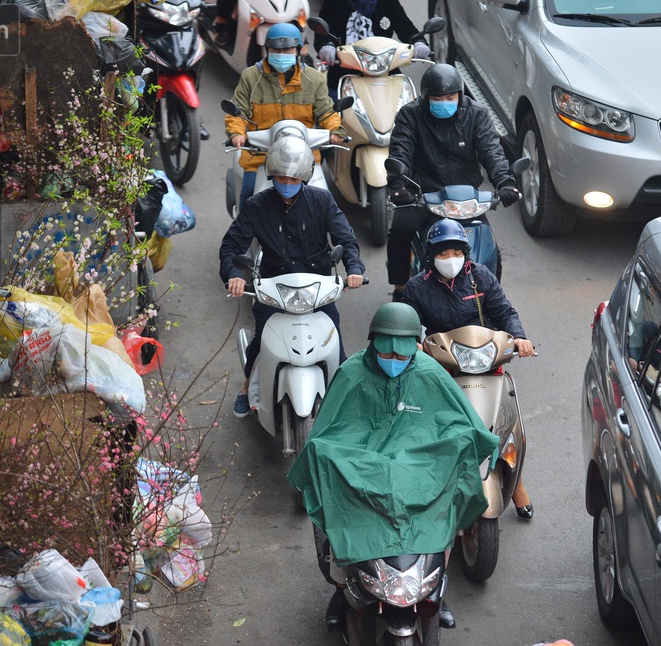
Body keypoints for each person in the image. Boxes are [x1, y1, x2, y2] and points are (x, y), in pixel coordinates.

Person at [287, 302, 500, 631]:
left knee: (442, 515)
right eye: (387, 354)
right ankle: (343, 591)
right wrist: (323, 457)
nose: (394, 362)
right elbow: (326, 433)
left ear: (414, 348)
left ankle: (434, 594)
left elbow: (464, 425)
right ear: (373, 344)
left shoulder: (430, 373)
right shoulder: (352, 374)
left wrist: (472, 447)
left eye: (402, 357)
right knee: (342, 515)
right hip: (361, 471)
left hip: (418, 470)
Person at [219, 136, 365, 418]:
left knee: (334, 340)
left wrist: (354, 269)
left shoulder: (322, 201)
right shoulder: (256, 205)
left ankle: (344, 396)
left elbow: (345, 238)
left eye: (294, 178)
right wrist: (234, 274)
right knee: (262, 340)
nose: (287, 183)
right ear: (271, 175)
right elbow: (231, 245)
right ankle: (248, 384)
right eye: (281, 177)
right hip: (275, 288)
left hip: (318, 287)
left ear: (305, 177)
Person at [402, 219, 538, 519]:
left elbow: (504, 312)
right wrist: (414, 344)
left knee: (504, 422)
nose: (450, 258)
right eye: (442, 253)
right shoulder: (416, 288)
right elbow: (409, 325)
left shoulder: (481, 277)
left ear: (465, 252)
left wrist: (520, 338)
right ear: (431, 256)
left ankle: (516, 483)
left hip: (485, 359)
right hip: (443, 363)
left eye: (455, 251)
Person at [386, 63, 520, 302]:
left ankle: (492, 298)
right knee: (400, 231)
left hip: (466, 199)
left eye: (450, 97)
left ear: (460, 95)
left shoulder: (476, 114)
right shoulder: (410, 115)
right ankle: (400, 288)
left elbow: (492, 151)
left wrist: (505, 183)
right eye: (437, 98)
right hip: (423, 196)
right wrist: (398, 185)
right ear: (426, 97)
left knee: (492, 251)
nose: (444, 102)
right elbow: (400, 152)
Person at [225, 22, 346, 209]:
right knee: (248, 204)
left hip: (304, 157)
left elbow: (326, 112)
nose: (282, 55)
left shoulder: (313, 79)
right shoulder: (251, 77)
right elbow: (238, 112)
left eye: (287, 49)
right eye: (276, 50)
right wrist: (237, 133)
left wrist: (335, 129)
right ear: (267, 50)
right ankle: (243, 237)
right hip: (260, 157)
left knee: (325, 206)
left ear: (297, 50)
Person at [313, 0, 431, 93]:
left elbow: (405, 27)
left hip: (384, 66)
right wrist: (327, 46)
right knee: (332, 108)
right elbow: (324, 30)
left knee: (405, 103)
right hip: (344, 70)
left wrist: (418, 42)